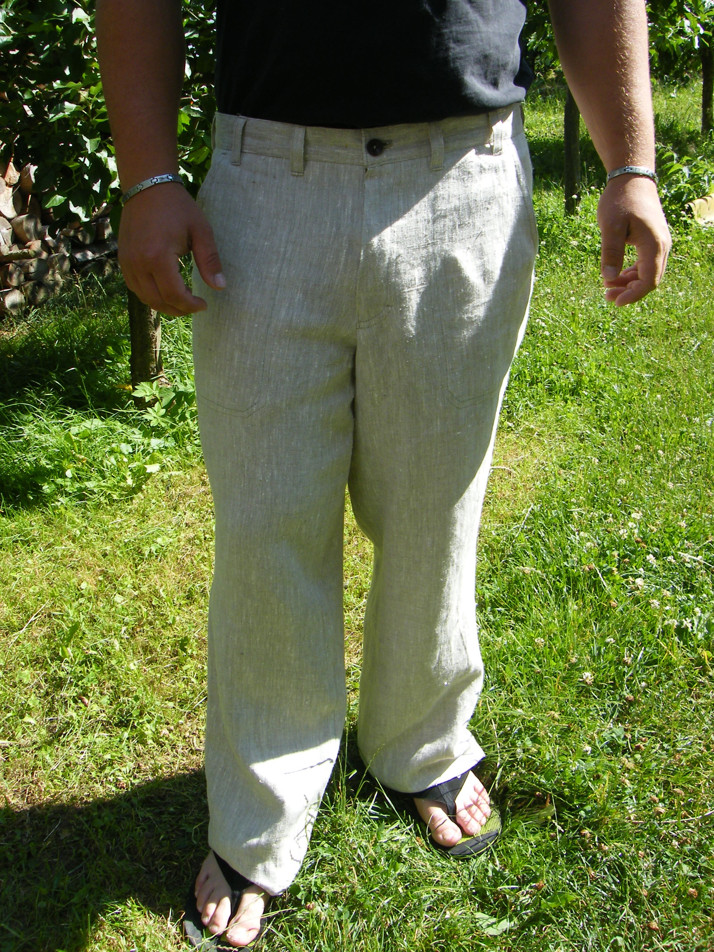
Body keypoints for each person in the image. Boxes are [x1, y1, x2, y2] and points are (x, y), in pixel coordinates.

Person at [96, 1, 671, 947]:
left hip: (465, 177)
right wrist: (148, 178)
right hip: (267, 184)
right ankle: (262, 809)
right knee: (268, 519)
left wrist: (631, 165)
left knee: (434, 506)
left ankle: (421, 739)